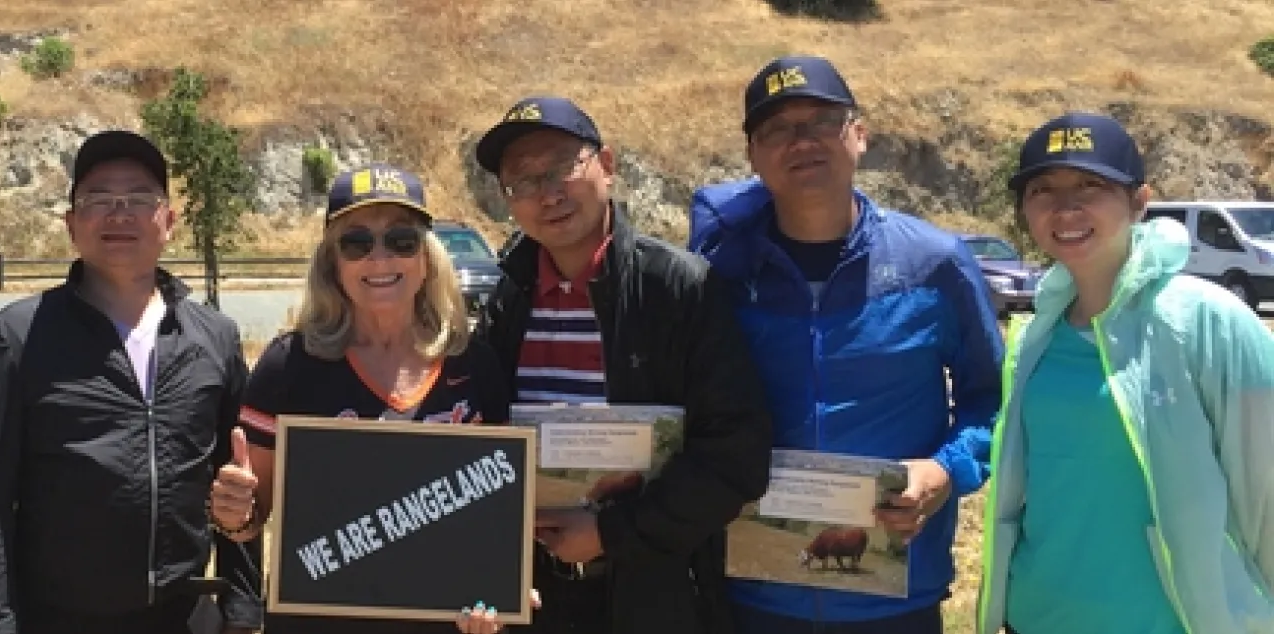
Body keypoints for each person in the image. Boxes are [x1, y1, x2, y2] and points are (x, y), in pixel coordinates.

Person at [685, 55, 1003, 633]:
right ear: (753, 156)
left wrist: (945, 471)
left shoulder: (936, 264)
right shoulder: (721, 275)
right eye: (777, 129)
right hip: (754, 596)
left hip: (896, 598)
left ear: (859, 134)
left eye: (821, 121)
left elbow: (992, 400)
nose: (801, 141)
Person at [470, 95, 776, 633]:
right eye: (524, 181)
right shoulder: (508, 297)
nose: (549, 193)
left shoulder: (681, 288)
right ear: (508, 201)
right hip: (534, 593)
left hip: (652, 590)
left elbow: (736, 455)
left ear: (606, 166)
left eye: (563, 166)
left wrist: (611, 532)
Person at [0, 130, 264, 634]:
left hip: (180, 616)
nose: (120, 213)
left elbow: (240, 477)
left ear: (169, 221)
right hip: (53, 617)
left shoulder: (215, 338)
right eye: (98, 197)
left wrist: (243, 611)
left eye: (140, 197)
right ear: (72, 224)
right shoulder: (18, 335)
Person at [976, 112, 1274, 634]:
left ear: (1139, 202)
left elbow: (1266, 492)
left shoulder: (1209, 322)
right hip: (1037, 616)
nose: (1066, 207)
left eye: (1091, 186)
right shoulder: (1033, 337)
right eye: (1043, 190)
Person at [205, 164, 531, 634]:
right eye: (356, 243)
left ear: (426, 259)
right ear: (333, 263)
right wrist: (234, 513)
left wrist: (502, 590)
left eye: (401, 240)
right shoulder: (288, 366)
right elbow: (251, 520)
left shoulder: (474, 363)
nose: (380, 259)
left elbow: (500, 520)